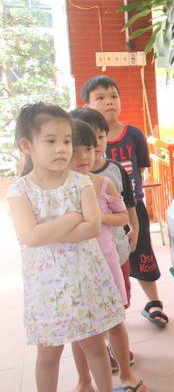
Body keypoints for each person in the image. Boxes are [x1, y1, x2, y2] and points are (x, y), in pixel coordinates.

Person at [7, 102, 125, 392]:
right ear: (27, 145)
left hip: (86, 282)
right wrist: (74, 217)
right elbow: (31, 237)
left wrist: (48, 230)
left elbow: (93, 227)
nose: (62, 149)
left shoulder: (81, 182)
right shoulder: (19, 190)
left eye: (66, 141)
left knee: (95, 346)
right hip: (46, 290)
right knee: (49, 354)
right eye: (51, 141)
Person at [67, 119, 148, 392]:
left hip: (106, 262)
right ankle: (84, 380)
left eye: (90, 149)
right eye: (77, 150)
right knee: (81, 329)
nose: (84, 156)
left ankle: (126, 373)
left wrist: (101, 217)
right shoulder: (61, 188)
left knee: (115, 322)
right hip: (75, 267)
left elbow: (123, 216)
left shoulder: (103, 183)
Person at [81, 75, 169, 327]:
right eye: (100, 97)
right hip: (100, 215)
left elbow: (139, 168)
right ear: (87, 104)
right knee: (106, 260)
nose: (109, 102)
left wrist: (132, 213)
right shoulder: (84, 143)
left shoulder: (135, 134)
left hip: (132, 207)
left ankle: (153, 302)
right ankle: (106, 315)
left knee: (142, 252)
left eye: (113, 96)